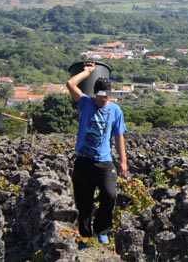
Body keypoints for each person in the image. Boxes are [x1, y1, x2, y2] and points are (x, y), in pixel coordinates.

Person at [66, 62, 128, 246]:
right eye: (100, 96)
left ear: (111, 93)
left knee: (109, 195)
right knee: (83, 203)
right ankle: (85, 236)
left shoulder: (116, 110)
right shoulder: (85, 103)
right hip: (84, 161)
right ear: (94, 94)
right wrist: (87, 72)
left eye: (107, 96)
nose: (103, 99)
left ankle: (102, 229)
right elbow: (70, 84)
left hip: (104, 162)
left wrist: (123, 161)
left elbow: (119, 136)